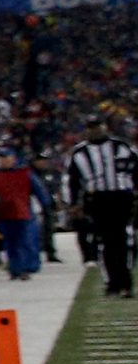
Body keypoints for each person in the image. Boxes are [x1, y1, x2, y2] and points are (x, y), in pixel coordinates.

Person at [66, 115, 136, 297]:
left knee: (122, 239)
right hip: (97, 199)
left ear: (105, 127)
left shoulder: (121, 146)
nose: (95, 130)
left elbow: (136, 171)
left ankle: (124, 282)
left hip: (121, 197)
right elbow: (74, 181)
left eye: (97, 126)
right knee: (105, 241)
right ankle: (113, 282)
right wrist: (74, 203)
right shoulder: (79, 152)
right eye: (91, 127)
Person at [0, 146, 47, 281]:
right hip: (4, 214)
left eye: (6, 157)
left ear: (13, 159)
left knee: (23, 241)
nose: (3, 161)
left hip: (22, 213)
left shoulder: (24, 174)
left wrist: (46, 204)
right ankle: (15, 269)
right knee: (10, 243)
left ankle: (24, 268)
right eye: (1, 158)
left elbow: (39, 190)